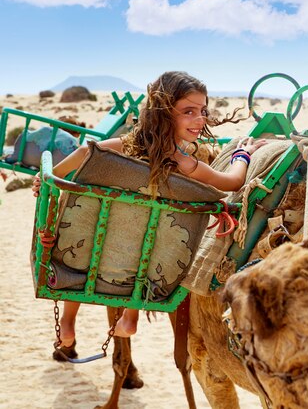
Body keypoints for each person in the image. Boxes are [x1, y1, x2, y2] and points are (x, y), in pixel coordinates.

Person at [32, 70, 266, 352]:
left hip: (90, 258)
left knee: (91, 236)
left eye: (202, 111)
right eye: (188, 111)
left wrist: (51, 176)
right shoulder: (184, 164)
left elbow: (85, 153)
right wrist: (243, 153)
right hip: (140, 266)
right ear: (164, 112)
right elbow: (233, 182)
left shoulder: (123, 148)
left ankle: (68, 324)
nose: (200, 119)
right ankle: (131, 317)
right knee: (149, 239)